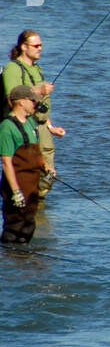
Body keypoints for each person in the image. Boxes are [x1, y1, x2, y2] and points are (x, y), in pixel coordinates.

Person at [2, 30, 65, 198]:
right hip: (25, 126)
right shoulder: (12, 68)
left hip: (41, 126)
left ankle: (38, 208)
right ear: (24, 47)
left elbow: (39, 105)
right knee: (30, 171)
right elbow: (12, 99)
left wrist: (51, 126)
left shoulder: (37, 69)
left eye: (41, 46)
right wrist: (39, 90)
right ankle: (27, 204)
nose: (40, 49)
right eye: (36, 46)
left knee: (48, 172)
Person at [0, 85, 47, 245]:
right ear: (21, 102)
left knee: (28, 225)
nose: (35, 104)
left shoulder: (31, 123)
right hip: (17, 186)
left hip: (32, 186)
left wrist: (45, 166)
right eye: (32, 100)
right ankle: (10, 263)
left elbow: (36, 151)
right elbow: (6, 162)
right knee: (14, 229)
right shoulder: (7, 127)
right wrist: (15, 191)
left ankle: (26, 263)